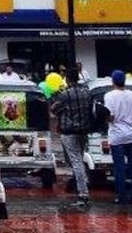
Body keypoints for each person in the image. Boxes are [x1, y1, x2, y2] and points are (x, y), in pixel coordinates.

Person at [49, 69, 93, 206]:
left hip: (69, 131)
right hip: (84, 130)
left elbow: (54, 110)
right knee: (79, 158)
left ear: (67, 79)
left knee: (76, 161)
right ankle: (80, 184)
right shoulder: (87, 93)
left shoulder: (65, 95)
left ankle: (83, 193)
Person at [104, 70, 132, 204]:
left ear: (113, 81)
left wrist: (106, 119)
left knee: (119, 168)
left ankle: (121, 196)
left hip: (117, 136)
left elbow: (110, 116)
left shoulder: (109, 96)